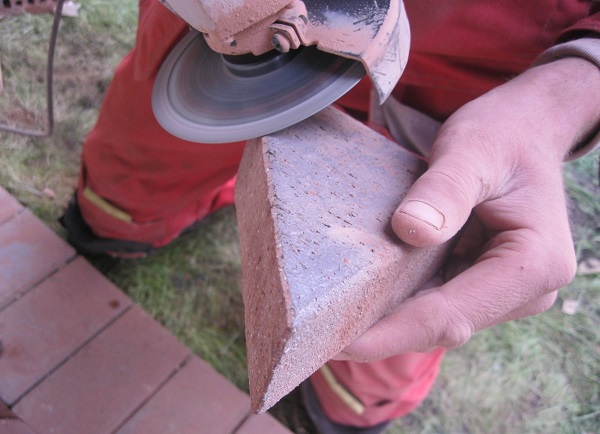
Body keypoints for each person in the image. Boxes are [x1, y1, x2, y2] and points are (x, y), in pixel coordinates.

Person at [60, 1, 600, 432]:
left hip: (472, 73)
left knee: (399, 272)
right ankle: (117, 227)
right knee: (146, 155)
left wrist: (568, 91)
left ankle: (349, 405)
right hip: (224, 30)